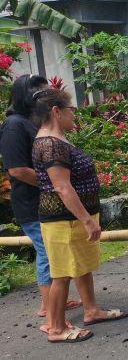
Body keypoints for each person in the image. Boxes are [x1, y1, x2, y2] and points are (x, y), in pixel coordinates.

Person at [31, 88, 128, 343]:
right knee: (61, 274)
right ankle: (56, 329)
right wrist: (85, 219)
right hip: (64, 220)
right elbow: (62, 186)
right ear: (56, 111)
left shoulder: (56, 139)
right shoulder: (50, 143)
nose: (74, 114)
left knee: (81, 268)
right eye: (71, 109)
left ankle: (92, 310)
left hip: (71, 218)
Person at [0, 75, 81, 332]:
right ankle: (49, 310)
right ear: (27, 96)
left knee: (53, 254)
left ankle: (54, 301)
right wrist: (54, 182)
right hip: (32, 204)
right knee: (48, 255)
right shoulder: (13, 125)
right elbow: (17, 170)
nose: (45, 96)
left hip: (45, 202)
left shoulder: (31, 122)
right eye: (40, 92)